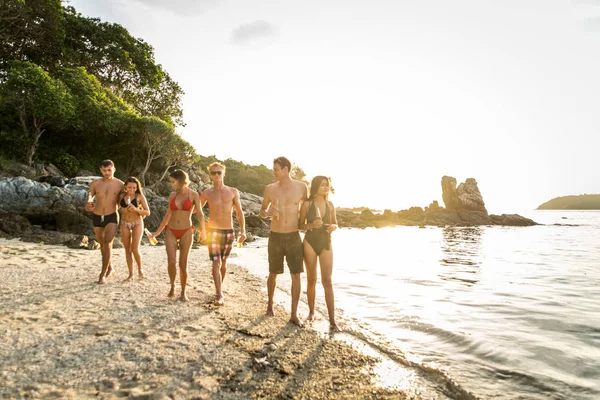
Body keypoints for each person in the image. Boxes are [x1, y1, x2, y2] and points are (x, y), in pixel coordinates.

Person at [259, 156, 308, 326]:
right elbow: (262, 211)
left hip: (294, 236)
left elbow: (307, 209)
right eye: (274, 170)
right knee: (273, 273)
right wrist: (267, 211)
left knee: (296, 275)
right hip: (276, 236)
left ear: (286, 169)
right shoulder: (270, 189)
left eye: (276, 169)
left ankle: (294, 314)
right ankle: (270, 304)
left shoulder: (302, 187)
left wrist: (308, 225)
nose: (274, 172)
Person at [150, 169, 206, 301]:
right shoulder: (172, 195)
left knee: (183, 264)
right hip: (171, 231)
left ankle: (183, 291)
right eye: (171, 182)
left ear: (181, 180)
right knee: (171, 261)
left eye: (173, 181)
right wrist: (157, 233)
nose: (172, 184)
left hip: (187, 230)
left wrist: (204, 230)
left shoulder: (193, 195)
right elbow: (168, 215)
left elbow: (200, 213)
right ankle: (172, 286)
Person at [200, 162, 246, 306]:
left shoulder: (233, 191)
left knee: (223, 263)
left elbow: (239, 212)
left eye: (219, 172)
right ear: (210, 175)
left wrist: (243, 230)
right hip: (213, 231)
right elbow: (197, 210)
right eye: (213, 173)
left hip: (228, 231)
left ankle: (218, 288)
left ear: (224, 173)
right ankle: (220, 294)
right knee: (216, 263)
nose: (217, 175)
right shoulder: (207, 193)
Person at [298, 176, 340, 331]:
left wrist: (333, 227)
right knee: (311, 279)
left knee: (327, 281)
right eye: (323, 185)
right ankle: (311, 313)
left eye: (327, 185)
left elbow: (335, 223)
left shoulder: (330, 205)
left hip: (325, 242)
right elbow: (300, 226)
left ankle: (333, 320)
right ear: (316, 186)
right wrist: (311, 225)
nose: (326, 187)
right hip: (310, 242)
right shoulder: (307, 204)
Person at [86, 160, 124, 284]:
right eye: (104, 170)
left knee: (107, 243)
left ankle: (103, 274)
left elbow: (123, 203)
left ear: (114, 169)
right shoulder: (95, 184)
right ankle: (110, 267)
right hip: (97, 216)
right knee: (103, 245)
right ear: (101, 170)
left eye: (109, 170)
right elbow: (88, 202)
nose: (107, 173)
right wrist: (88, 207)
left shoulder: (120, 184)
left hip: (111, 216)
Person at [118, 177, 151, 281]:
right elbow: (114, 206)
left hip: (137, 222)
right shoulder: (121, 196)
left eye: (134, 187)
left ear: (137, 188)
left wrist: (136, 209)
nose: (132, 189)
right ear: (125, 187)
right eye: (129, 187)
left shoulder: (139, 196)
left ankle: (140, 269)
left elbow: (147, 212)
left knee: (135, 249)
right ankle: (131, 274)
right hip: (124, 223)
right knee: (127, 250)